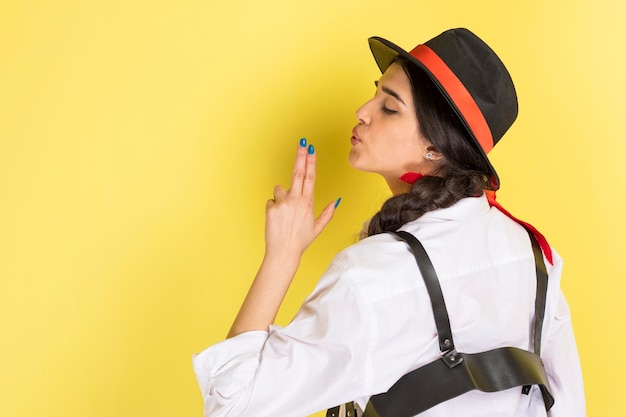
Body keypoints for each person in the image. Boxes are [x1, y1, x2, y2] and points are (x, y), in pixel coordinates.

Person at [192, 28, 586, 417]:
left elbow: (234, 404)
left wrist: (281, 257)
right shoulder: (535, 257)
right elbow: (566, 405)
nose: (362, 112)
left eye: (389, 107)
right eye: (375, 93)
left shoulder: (374, 276)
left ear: (435, 147)